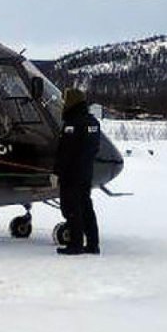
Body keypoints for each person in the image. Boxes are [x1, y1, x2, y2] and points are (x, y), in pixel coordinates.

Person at [53, 87, 101, 255]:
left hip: (71, 174)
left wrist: (57, 172)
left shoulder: (72, 124)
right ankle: (93, 244)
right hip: (86, 172)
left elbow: (66, 151)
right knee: (86, 206)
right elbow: (94, 148)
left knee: (72, 208)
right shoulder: (93, 122)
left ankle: (76, 244)